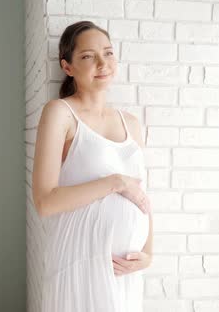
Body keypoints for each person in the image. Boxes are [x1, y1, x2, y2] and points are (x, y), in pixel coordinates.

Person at [32, 20, 154, 312]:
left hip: (124, 272)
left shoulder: (131, 123)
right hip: (79, 265)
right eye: (88, 56)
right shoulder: (60, 113)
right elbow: (44, 202)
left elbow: (143, 198)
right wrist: (116, 182)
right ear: (68, 66)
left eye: (108, 53)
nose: (103, 63)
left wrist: (148, 254)